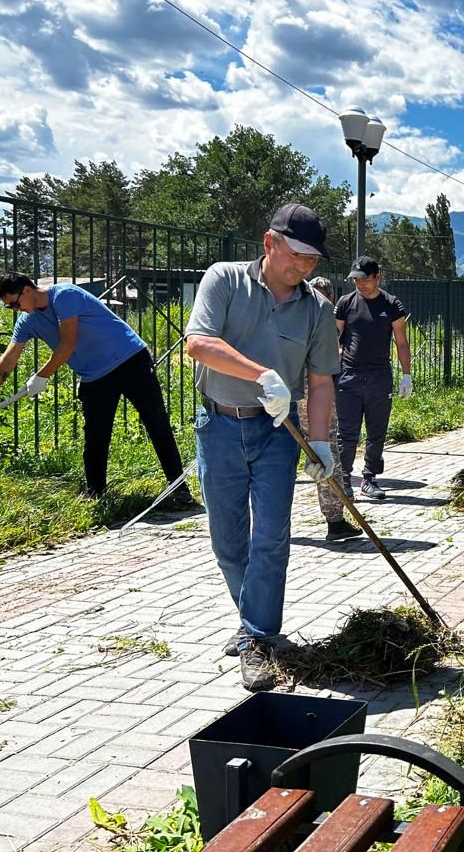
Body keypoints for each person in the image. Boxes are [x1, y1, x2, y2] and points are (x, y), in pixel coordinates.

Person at [184, 203, 339, 691]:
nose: (304, 267)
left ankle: (257, 637)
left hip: (278, 433)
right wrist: (262, 375)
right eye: (296, 255)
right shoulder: (224, 280)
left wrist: (318, 443)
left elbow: (320, 380)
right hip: (219, 425)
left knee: (271, 537)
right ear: (269, 242)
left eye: (313, 259)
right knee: (229, 540)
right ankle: (254, 623)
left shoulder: (317, 308)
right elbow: (198, 343)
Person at [0, 273, 193, 506]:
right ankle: (96, 493)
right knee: (95, 435)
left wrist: (42, 375)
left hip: (130, 360)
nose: (15, 309)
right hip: (94, 375)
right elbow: (8, 359)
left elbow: (68, 343)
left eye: (15, 303)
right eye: (9, 307)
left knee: (156, 424)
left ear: (27, 290)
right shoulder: (28, 320)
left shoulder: (65, 296)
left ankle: (179, 488)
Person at [333, 256, 412, 501]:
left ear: (378, 277)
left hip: (379, 376)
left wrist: (407, 375)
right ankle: (344, 478)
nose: (359, 284)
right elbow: (330, 336)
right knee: (347, 432)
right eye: (355, 279)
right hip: (349, 376)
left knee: (377, 430)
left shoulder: (391, 305)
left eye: (364, 279)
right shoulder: (346, 303)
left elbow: (401, 341)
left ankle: (369, 478)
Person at [300, 276, 361, 542]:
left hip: (282, 397)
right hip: (315, 397)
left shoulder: (289, 317)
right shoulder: (324, 321)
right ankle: (335, 520)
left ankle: (263, 524)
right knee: (325, 453)